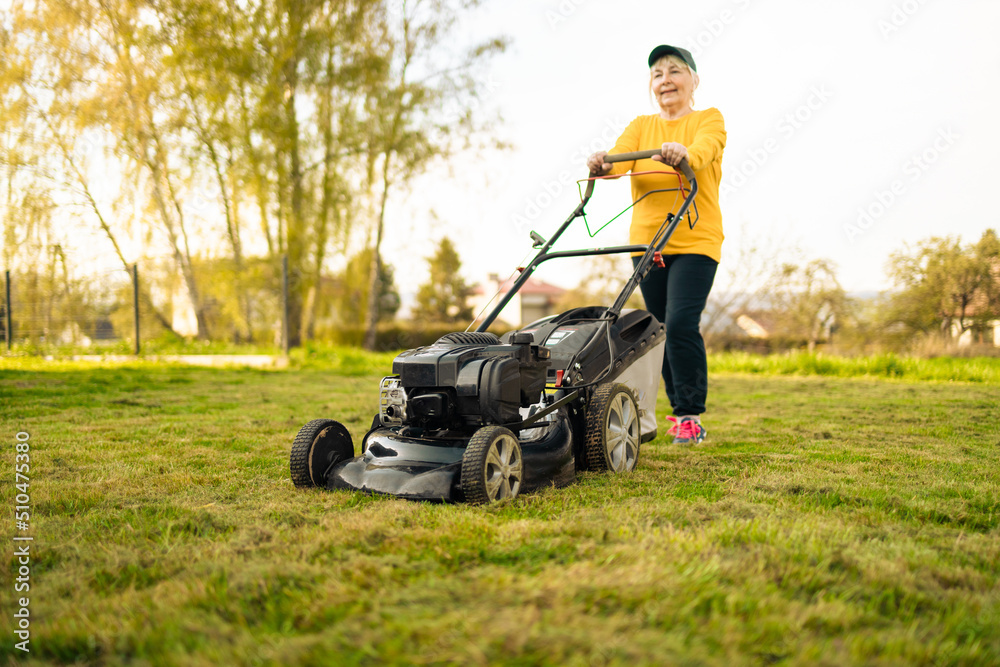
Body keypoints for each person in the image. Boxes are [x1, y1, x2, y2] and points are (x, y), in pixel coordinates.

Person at [586, 44, 726, 445]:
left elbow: (705, 151)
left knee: (682, 323)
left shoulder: (708, 119)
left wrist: (684, 152)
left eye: (675, 71)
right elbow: (619, 162)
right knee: (660, 329)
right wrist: (603, 163)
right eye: (658, 74)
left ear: (693, 81)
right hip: (649, 244)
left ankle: (690, 416)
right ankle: (672, 410)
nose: (666, 80)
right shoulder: (641, 125)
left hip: (696, 238)